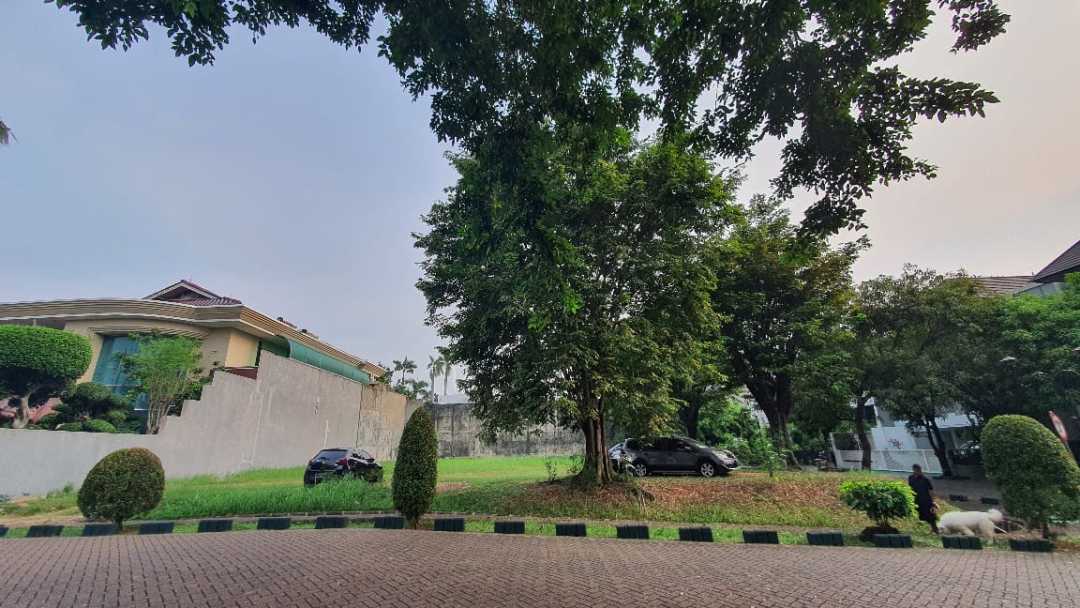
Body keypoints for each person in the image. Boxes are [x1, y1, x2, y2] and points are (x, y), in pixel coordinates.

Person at [908, 464, 938, 534]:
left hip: (926, 500)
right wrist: (911, 497)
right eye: (916, 470)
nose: (919, 471)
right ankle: (932, 528)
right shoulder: (911, 478)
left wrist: (933, 501)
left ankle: (935, 529)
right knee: (922, 515)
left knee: (930, 515)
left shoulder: (925, 479)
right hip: (917, 499)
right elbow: (910, 488)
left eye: (919, 470)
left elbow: (930, 490)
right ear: (914, 470)